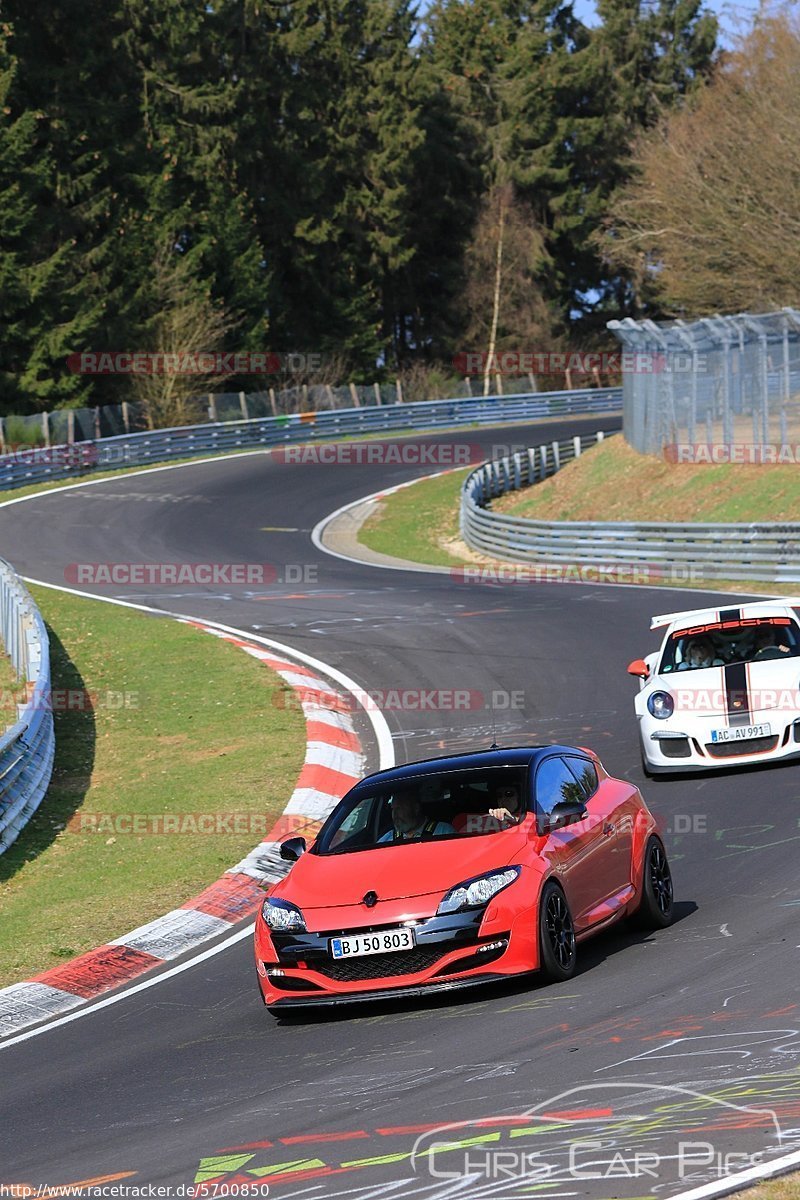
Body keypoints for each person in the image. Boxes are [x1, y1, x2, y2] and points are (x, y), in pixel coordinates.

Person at [378, 789, 455, 842]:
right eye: (393, 809)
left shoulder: (443, 832)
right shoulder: (387, 839)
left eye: (399, 808)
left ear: (416, 808)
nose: (395, 814)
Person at [456, 781, 524, 834]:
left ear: (519, 796)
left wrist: (511, 819)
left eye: (509, 794)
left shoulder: (529, 815)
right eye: (499, 795)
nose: (503, 799)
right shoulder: (487, 819)